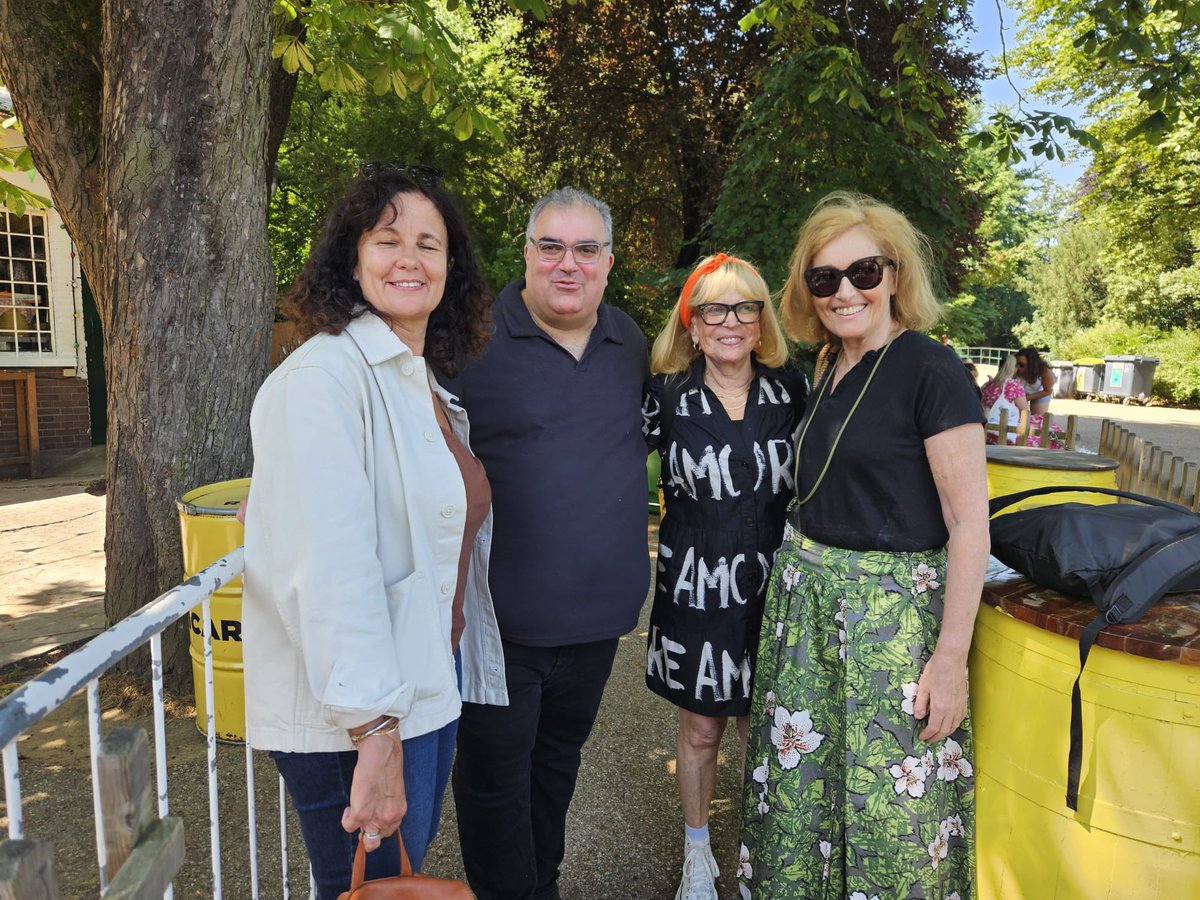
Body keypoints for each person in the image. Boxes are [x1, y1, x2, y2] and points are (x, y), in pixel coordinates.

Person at [240, 164, 508, 900]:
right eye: (387, 240)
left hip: (422, 681)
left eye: (430, 244)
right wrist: (373, 732)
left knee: (395, 878)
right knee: (369, 889)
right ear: (351, 259)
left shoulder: (416, 380)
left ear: (452, 269)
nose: (409, 259)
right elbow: (330, 566)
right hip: (357, 714)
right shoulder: (323, 380)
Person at [739, 192, 988, 898]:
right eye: (824, 278)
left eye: (864, 272)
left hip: (892, 627)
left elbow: (971, 523)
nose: (845, 291)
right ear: (807, 290)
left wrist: (950, 658)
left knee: (892, 813)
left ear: (896, 275)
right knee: (802, 799)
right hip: (808, 617)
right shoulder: (826, 367)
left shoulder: (931, 370)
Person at [444, 188, 650, 900]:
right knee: (494, 778)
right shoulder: (468, 338)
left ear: (608, 262)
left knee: (557, 764)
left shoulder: (632, 345)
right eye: (552, 247)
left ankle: (544, 884)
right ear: (527, 255)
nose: (569, 264)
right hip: (500, 624)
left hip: (597, 624)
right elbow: (381, 408)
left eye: (586, 249)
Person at [643, 254, 807, 900]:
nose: (731, 322)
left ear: (763, 319)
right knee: (702, 728)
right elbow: (604, 462)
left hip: (774, 580)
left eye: (746, 307)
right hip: (696, 582)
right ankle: (697, 855)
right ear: (693, 322)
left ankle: (768, 856)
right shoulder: (666, 394)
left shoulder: (791, 389)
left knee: (764, 729)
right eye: (715, 308)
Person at [1016, 345, 1054, 414]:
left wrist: (1025, 398)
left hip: (1040, 394)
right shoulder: (1014, 369)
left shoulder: (1044, 370)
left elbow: (1048, 391)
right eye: (1016, 364)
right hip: (1018, 395)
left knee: (1037, 419)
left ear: (1032, 365)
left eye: (1021, 365)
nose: (1017, 368)